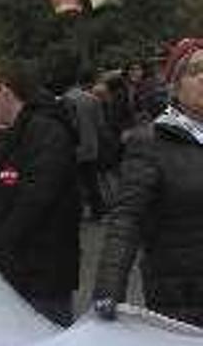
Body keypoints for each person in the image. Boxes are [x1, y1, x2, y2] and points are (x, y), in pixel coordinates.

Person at [94, 38, 203, 327]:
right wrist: (108, 290)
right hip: (182, 295)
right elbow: (126, 219)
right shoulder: (151, 142)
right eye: (195, 71)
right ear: (176, 86)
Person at [0, 61, 80, 327]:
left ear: (6, 91)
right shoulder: (16, 134)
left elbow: (33, 200)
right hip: (20, 266)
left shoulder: (45, 131)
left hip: (43, 270)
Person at [63, 70, 109, 221]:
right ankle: (98, 211)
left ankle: (77, 211)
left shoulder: (64, 100)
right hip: (91, 146)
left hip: (72, 147)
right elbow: (100, 125)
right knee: (92, 180)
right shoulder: (93, 100)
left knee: (75, 183)